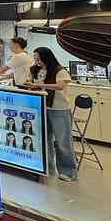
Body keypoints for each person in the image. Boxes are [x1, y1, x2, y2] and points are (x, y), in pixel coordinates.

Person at [26, 47, 78, 182]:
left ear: (46, 57)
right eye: (35, 58)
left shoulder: (60, 70)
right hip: (42, 107)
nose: (36, 61)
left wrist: (41, 84)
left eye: (38, 58)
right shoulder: (35, 70)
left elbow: (60, 86)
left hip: (59, 109)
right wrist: (31, 85)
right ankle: (47, 168)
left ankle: (69, 171)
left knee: (62, 142)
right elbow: (36, 85)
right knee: (44, 140)